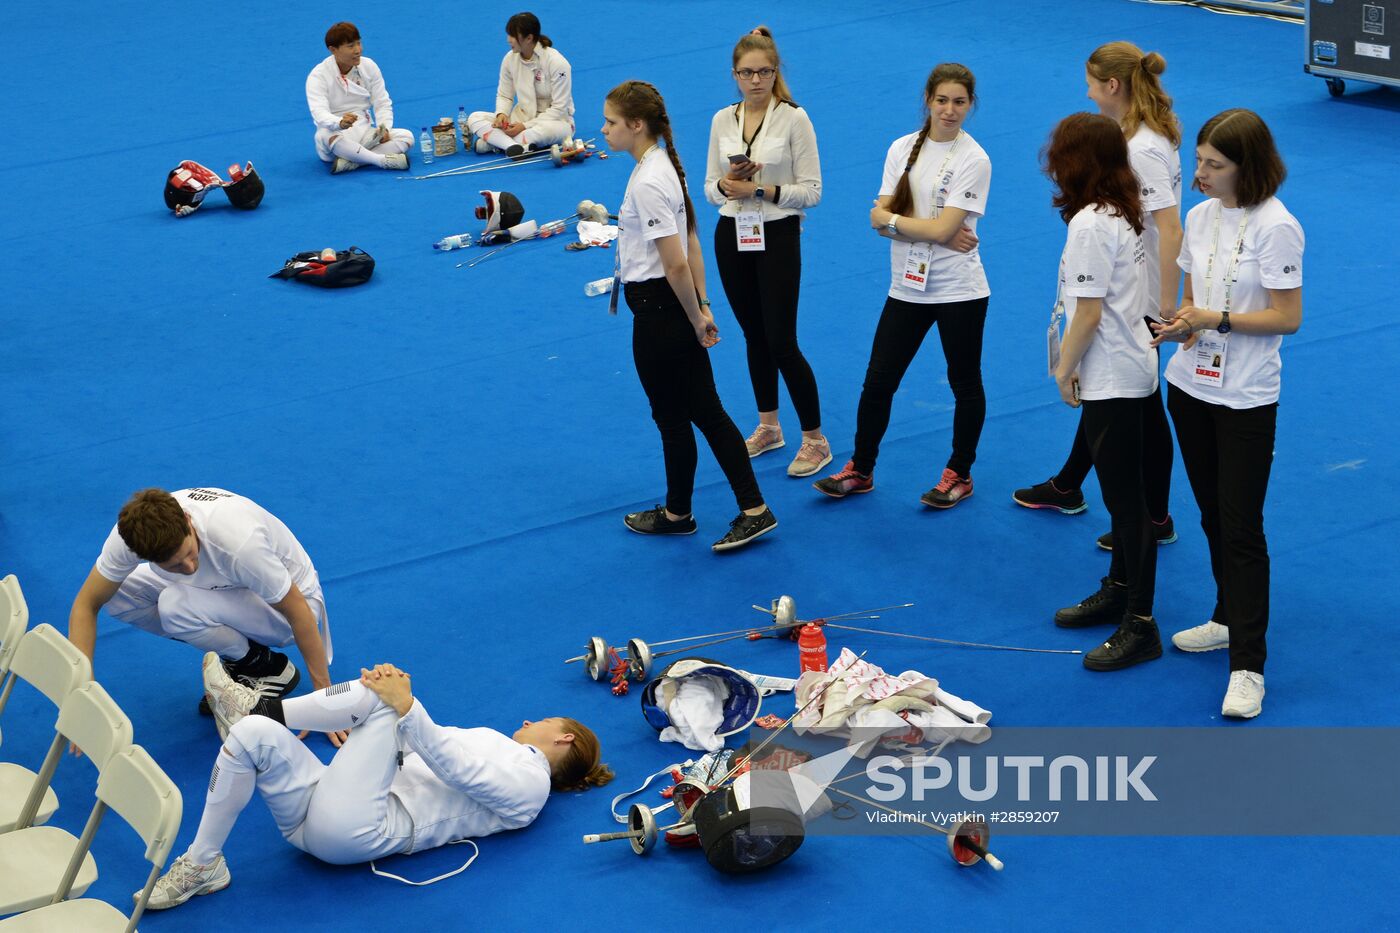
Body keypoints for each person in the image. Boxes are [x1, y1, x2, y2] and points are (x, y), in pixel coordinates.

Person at [143, 657, 611, 909]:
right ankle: (204, 864)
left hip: (359, 829)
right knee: (252, 737)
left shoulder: (532, 787)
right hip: (327, 802)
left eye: (544, 720)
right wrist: (387, 694)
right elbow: (420, 746)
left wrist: (400, 705)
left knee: (392, 703)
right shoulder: (492, 739)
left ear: (563, 737)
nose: (530, 719)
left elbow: (459, 771)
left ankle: (256, 706)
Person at [1150, 109, 1302, 718]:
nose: (1202, 174)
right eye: (1201, 161)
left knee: (1242, 525)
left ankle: (1248, 664)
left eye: (1216, 165)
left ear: (1248, 167)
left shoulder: (1278, 226)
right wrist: (1185, 324)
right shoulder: (1199, 216)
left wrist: (1219, 321)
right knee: (1212, 513)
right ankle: (1223, 615)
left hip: (1245, 397)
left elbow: (1288, 317)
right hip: (1190, 386)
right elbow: (1192, 297)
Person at [1014, 42, 1181, 552]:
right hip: (1130, 283)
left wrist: (1166, 305)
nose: (1085, 92)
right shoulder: (1134, 135)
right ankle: (1072, 484)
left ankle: (1152, 518)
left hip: (1136, 293)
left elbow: (1170, 229)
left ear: (1112, 86)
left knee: (1138, 404)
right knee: (1122, 397)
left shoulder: (1142, 148)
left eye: (1090, 82)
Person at [603, 80, 778, 552]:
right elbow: (692, 241)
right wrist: (700, 305)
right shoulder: (660, 167)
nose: (603, 131)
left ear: (636, 125)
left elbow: (676, 260)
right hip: (671, 308)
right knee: (685, 414)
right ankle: (681, 511)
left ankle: (750, 510)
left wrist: (697, 315)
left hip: (661, 313)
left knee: (693, 415)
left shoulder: (650, 180)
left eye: (611, 122)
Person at [813, 64, 989, 508]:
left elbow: (894, 220)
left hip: (959, 290)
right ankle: (861, 468)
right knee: (879, 380)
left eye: (960, 102)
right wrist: (937, 230)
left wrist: (907, 225)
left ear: (971, 105)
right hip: (907, 287)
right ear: (928, 99)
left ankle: (959, 474)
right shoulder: (902, 148)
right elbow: (884, 221)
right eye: (942, 100)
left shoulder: (975, 159)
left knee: (963, 382)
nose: (950, 110)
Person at [67, 488, 342, 743]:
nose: (188, 567)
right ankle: (257, 663)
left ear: (187, 520)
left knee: (175, 606)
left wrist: (322, 699)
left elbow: (299, 611)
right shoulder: (130, 537)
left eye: (188, 552)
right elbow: (86, 604)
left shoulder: (237, 543)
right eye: (173, 565)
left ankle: (261, 667)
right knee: (116, 593)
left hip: (289, 609)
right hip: (229, 587)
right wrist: (81, 693)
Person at [1045, 113, 1162, 671]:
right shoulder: (1122, 209)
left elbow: (1087, 313)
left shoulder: (1091, 222)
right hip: (1131, 367)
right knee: (1126, 498)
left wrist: (1064, 370)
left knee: (1127, 504)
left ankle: (1140, 622)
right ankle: (1119, 590)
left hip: (1111, 376)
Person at [704, 27, 829, 478]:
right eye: (747, 72)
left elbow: (812, 191)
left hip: (776, 236)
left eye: (764, 72)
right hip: (731, 234)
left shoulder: (795, 118)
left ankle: (815, 439)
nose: (755, 80)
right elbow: (709, 188)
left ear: (776, 73)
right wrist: (726, 185)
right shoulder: (722, 119)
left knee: (782, 341)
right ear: (734, 75)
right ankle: (768, 426)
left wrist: (760, 187)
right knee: (754, 337)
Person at [305, 22, 413, 174]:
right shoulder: (318, 76)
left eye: (358, 43)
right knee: (325, 134)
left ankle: (354, 161)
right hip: (336, 137)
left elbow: (382, 102)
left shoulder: (369, 66)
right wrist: (339, 123)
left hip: (366, 133)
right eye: (350, 46)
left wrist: (384, 128)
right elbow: (319, 113)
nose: (358, 50)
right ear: (333, 50)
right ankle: (380, 161)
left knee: (407, 137)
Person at [465, 12, 574, 158]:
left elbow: (559, 108)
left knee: (537, 133)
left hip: (555, 122)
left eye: (512, 36)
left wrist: (525, 126)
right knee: (474, 117)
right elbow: (505, 95)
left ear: (529, 38)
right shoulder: (509, 59)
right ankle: (513, 147)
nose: (508, 40)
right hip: (519, 120)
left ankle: (495, 142)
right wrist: (501, 114)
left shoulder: (557, 63)